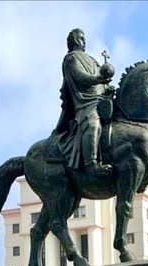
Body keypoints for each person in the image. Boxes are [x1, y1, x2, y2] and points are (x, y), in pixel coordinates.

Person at [54, 27, 114, 177]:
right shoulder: (71, 58)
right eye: (81, 38)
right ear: (75, 40)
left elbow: (101, 78)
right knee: (93, 123)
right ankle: (91, 163)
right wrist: (99, 79)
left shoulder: (92, 59)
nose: (84, 42)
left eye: (85, 39)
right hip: (86, 101)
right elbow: (80, 76)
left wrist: (107, 88)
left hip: (102, 98)